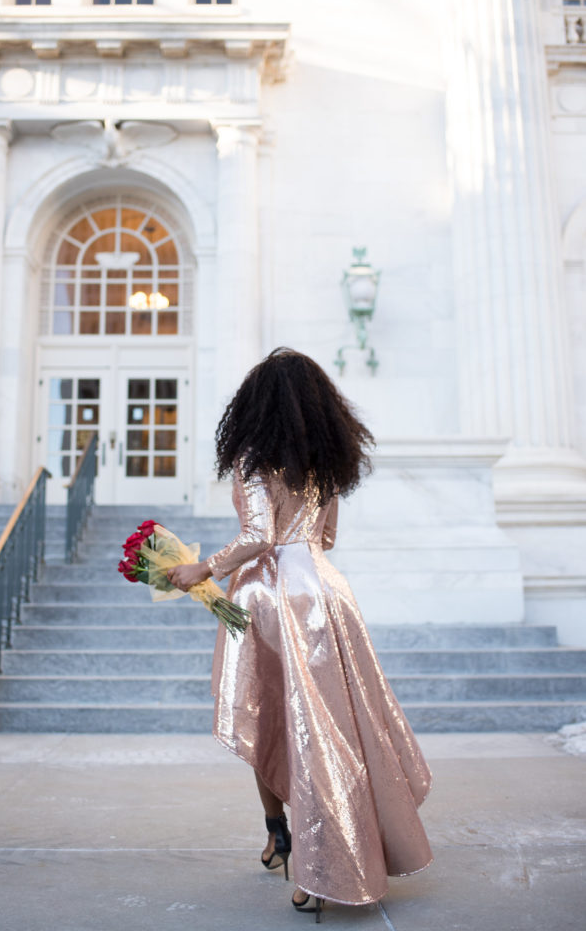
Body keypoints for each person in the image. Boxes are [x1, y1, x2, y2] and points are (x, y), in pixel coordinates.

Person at [167, 348, 433, 919]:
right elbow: (327, 536)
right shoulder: (325, 462)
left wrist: (202, 568)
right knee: (337, 726)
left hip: (269, 595)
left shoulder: (253, 458)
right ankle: (313, 839)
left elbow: (259, 534)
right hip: (328, 592)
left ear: (254, 405)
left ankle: (298, 846)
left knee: (275, 718)